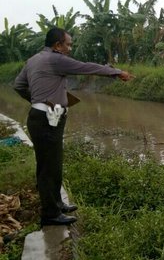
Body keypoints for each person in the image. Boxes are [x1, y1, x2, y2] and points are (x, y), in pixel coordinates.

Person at [13, 27, 133, 226]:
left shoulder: (33, 60)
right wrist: (117, 72)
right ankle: (50, 214)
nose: (70, 48)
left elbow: (18, 85)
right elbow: (86, 67)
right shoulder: (56, 59)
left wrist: (38, 101)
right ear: (57, 45)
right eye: (68, 44)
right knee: (47, 167)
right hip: (47, 118)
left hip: (47, 116)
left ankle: (57, 203)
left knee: (54, 162)